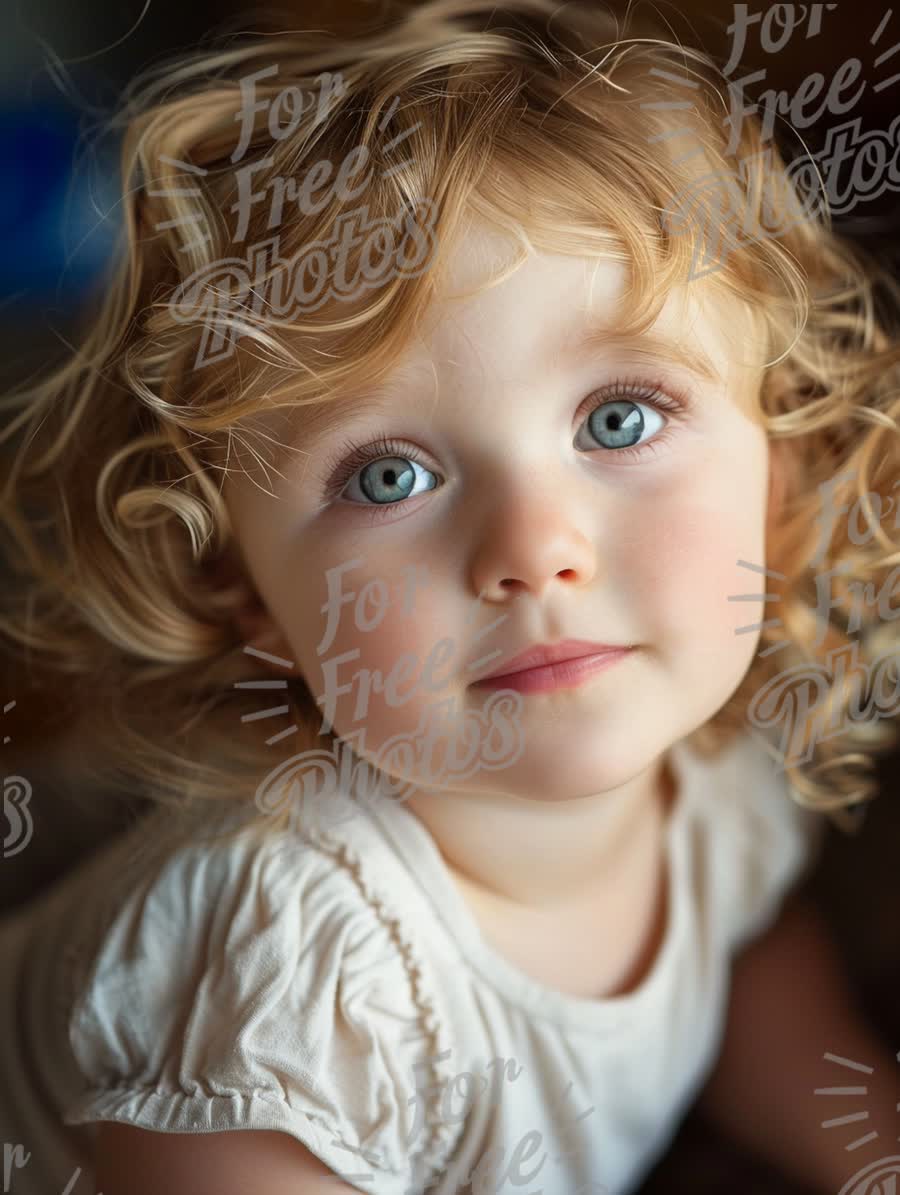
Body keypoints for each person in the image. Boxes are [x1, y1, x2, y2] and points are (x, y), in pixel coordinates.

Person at [1, 1, 899, 1192]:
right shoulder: (290, 964)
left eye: (619, 418)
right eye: (389, 475)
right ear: (246, 589)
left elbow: (743, 964)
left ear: (776, 471)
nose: (533, 550)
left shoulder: (719, 775)